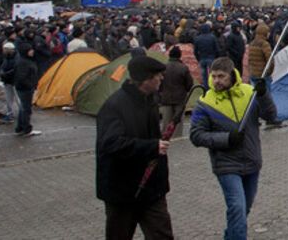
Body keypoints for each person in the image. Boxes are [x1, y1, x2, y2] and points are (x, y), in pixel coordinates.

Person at [190, 57, 276, 240]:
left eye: (221, 76)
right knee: (237, 207)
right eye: (213, 76)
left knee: (243, 209)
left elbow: (271, 115)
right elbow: (196, 135)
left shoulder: (249, 92)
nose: (216, 81)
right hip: (226, 165)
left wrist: (263, 95)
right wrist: (226, 139)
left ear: (232, 75)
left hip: (252, 161)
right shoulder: (205, 103)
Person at [96, 51, 173, 240]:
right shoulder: (114, 106)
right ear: (145, 79)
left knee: (162, 235)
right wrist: (151, 147)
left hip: (152, 188)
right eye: (158, 76)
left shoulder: (151, 100)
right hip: (122, 190)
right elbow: (111, 143)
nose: (161, 79)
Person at [158, 46, 193, 138]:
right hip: (180, 98)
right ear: (179, 56)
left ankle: (165, 139)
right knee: (177, 122)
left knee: (166, 122)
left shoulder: (163, 68)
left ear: (169, 55)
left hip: (166, 98)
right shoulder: (183, 68)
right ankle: (177, 141)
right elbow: (189, 84)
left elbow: (159, 84)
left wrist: (161, 93)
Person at [13, 41, 40, 137]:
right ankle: (26, 128)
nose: (32, 51)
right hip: (25, 89)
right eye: (30, 50)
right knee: (26, 109)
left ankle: (20, 127)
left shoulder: (25, 61)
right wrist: (30, 85)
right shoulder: (24, 62)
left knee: (23, 108)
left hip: (25, 88)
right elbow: (21, 77)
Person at [0, 41, 19, 124]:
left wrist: (5, 74)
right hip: (8, 81)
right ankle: (10, 113)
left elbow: (15, 69)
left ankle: (22, 113)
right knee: (9, 99)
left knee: (17, 99)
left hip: (13, 81)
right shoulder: (7, 57)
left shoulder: (16, 58)